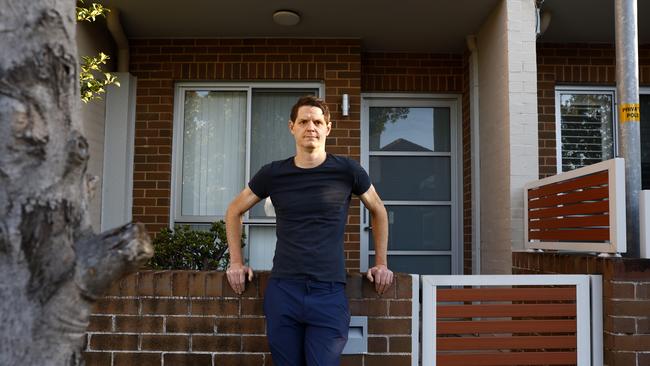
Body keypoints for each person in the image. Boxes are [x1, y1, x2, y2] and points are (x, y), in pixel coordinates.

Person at [225, 95, 392, 366]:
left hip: (329, 292)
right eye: (303, 121)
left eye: (317, 121)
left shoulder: (347, 171)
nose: (310, 127)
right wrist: (235, 261)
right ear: (292, 127)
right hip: (284, 290)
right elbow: (234, 211)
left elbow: (379, 210)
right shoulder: (273, 174)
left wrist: (381, 263)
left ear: (328, 127)